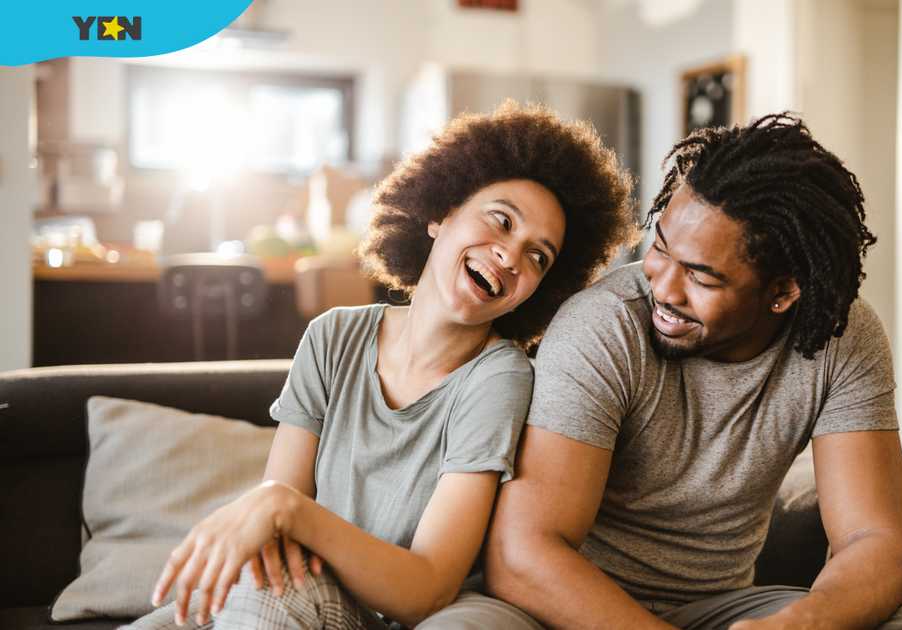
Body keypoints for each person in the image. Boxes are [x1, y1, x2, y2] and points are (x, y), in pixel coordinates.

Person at [422, 113, 902, 629]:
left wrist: (810, 620)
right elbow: (522, 557)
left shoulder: (841, 338)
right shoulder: (604, 325)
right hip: (557, 608)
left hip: (715, 608)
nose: (661, 286)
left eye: (701, 278)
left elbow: (874, 541)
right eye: (659, 246)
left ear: (783, 292)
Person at [122, 101, 635, 630]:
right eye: (501, 221)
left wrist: (286, 511)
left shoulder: (499, 378)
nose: (509, 256)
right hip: (300, 594)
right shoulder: (332, 336)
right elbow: (276, 535)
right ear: (441, 215)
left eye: (538, 257)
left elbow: (427, 586)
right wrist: (277, 515)